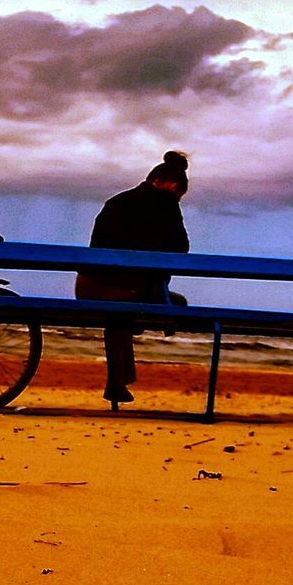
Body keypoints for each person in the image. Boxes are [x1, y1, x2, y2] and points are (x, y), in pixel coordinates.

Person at [76, 150, 191, 405]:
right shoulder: (166, 203)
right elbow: (181, 249)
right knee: (176, 304)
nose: (177, 201)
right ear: (170, 186)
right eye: (179, 197)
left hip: (88, 287)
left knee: (123, 309)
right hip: (126, 291)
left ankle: (117, 383)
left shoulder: (116, 201)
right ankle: (118, 379)